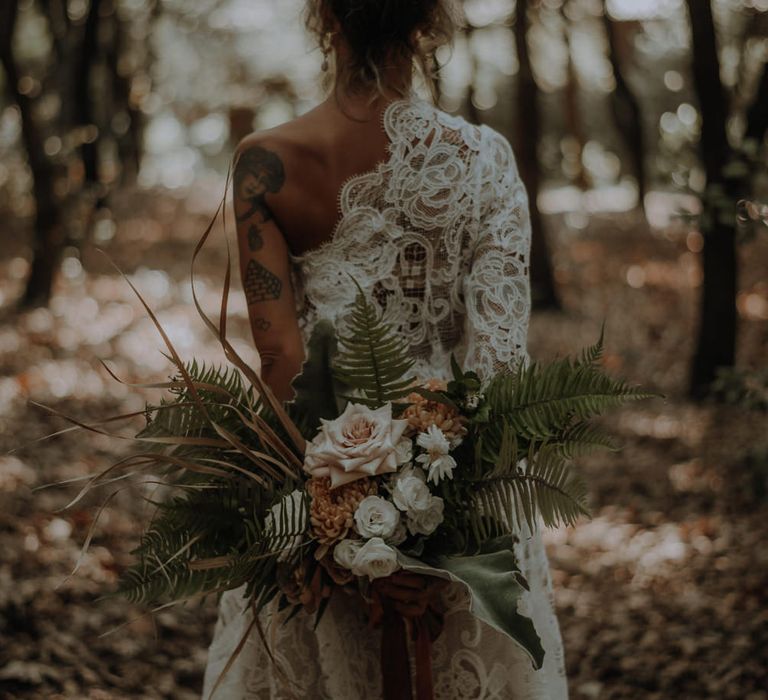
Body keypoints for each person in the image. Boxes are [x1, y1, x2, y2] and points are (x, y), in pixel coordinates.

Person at [202, 0, 568, 697]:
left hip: (319, 491)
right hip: (467, 498)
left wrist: (338, 533)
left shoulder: (264, 165)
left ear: (324, 19)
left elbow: (281, 366)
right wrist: (441, 540)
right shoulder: (485, 162)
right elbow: (498, 370)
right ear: (428, 23)